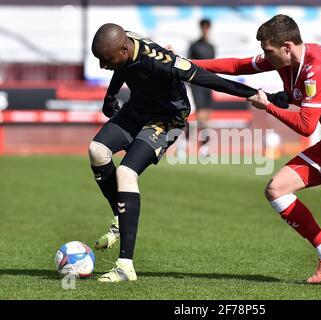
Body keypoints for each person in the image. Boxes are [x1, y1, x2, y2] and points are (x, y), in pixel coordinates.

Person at [192, 14, 321, 289]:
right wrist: (187, 65)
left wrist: (268, 107)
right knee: (276, 189)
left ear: (287, 46)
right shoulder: (287, 59)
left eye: (269, 51)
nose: (265, 56)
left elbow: (305, 125)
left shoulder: (316, 68)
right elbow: (239, 65)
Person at [89, 23, 288, 282]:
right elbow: (121, 65)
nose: (104, 66)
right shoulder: (125, 45)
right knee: (97, 151)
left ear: (124, 48)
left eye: (106, 60)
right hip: (137, 108)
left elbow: (212, 81)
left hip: (167, 118)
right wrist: (111, 95)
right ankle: (119, 217)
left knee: (126, 172)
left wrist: (263, 96)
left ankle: (125, 266)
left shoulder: (161, 62)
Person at [187, 19, 216, 157]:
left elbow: (214, 66)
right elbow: (188, 64)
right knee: (199, 117)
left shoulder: (211, 47)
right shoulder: (194, 46)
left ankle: (204, 147)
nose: (205, 29)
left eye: (207, 27)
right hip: (197, 84)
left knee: (207, 117)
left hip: (208, 85)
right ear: (201, 28)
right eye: (203, 27)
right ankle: (188, 144)